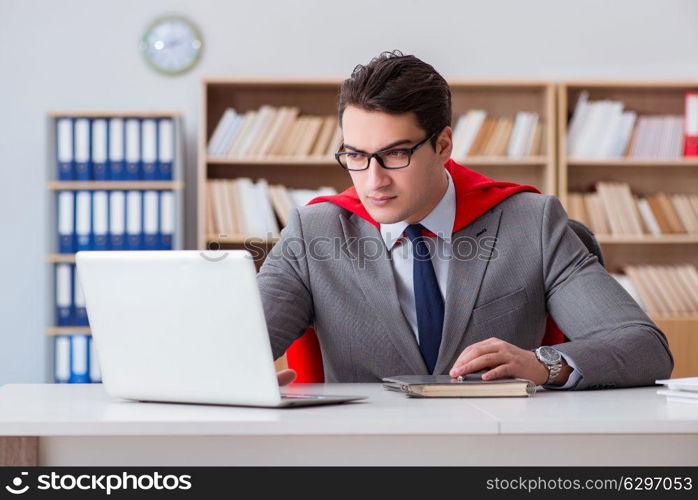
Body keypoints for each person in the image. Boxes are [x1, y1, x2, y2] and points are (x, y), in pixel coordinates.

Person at [262, 50, 673, 390]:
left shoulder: (531, 224)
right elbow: (234, 347)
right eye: (355, 155)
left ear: (443, 145)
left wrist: (542, 364)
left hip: (496, 453)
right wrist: (237, 377)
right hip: (366, 458)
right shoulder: (313, 233)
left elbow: (644, 348)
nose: (374, 180)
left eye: (395, 154)